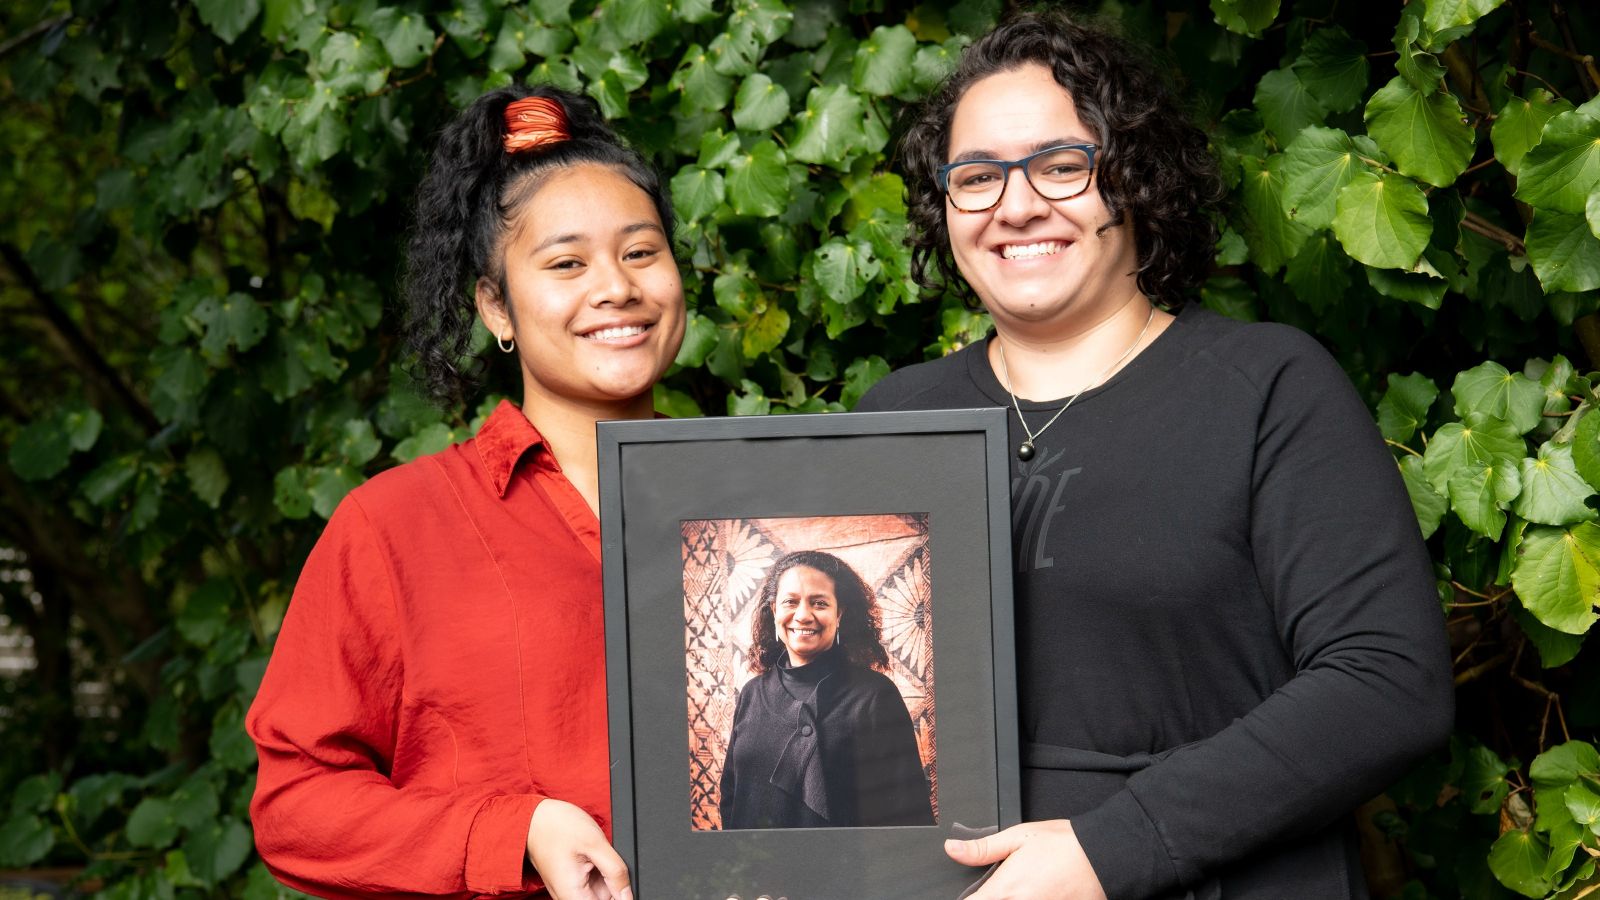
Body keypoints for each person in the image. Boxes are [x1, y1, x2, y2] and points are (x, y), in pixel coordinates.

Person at [855, 11, 1453, 900]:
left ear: (1136, 177)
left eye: (1061, 166)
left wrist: (1106, 853)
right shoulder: (895, 415)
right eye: (976, 177)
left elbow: (1387, 684)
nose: (1016, 206)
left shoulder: (1266, 387)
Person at [246, 85, 684, 900]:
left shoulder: (761, 499)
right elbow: (296, 806)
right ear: (495, 306)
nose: (617, 287)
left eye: (641, 251)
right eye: (565, 263)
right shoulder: (394, 526)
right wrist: (515, 831)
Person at [719, 550, 934, 829]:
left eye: (819, 603)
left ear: (839, 613)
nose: (803, 615)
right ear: (774, 611)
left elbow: (907, 811)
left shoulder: (875, 695)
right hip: (755, 870)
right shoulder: (751, 694)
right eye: (790, 602)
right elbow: (731, 797)